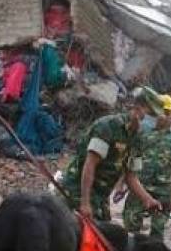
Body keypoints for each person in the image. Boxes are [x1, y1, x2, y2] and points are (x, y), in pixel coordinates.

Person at [62, 86, 164, 222]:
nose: (152, 121)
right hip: (78, 191)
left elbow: (130, 176)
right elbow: (90, 165)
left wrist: (147, 199)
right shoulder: (108, 127)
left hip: (100, 195)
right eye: (150, 113)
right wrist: (85, 203)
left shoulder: (137, 139)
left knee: (104, 233)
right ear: (138, 108)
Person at [122, 94, 171, 240]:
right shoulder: (143, 134)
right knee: (131, 225)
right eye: (163, 113)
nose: (165, 117)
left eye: (169, 113)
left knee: (157, 231)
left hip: (163, 189)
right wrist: (121, 185)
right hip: (141, 186)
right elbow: (129, 161)